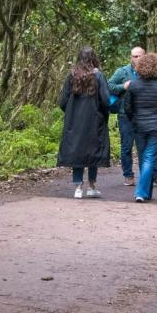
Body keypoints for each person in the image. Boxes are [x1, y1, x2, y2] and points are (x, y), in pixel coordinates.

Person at [56, 47, 111, 199]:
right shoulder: (99, 76)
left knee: (77, 151)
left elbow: (62, 101)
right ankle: (92, 186)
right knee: (93, 151)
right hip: (94, 120)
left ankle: (78, 187)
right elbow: (106, 100)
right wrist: (105, 112)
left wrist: (72, 112)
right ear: (94, 58)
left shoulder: (72, 76)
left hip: (75, 121)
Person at [122, 50, 157, 202]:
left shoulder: (133, 85)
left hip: (139, 126)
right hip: (156, 127)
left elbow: (127, 107)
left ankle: (146, 193)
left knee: (144, 157)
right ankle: (141, 193)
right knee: (149, 157)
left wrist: (134, 119)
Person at [106, 46, 141, 185]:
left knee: (144, 147)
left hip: (143, 115)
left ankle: (152, 175)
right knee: (126, 146)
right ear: (131, 57)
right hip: (125, 115)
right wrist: (123, 87)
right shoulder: (122, 72)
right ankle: (128, 175)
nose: (137, 59)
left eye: (140, 56)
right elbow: (109, 86)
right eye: (135, 56)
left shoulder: (148, 72)